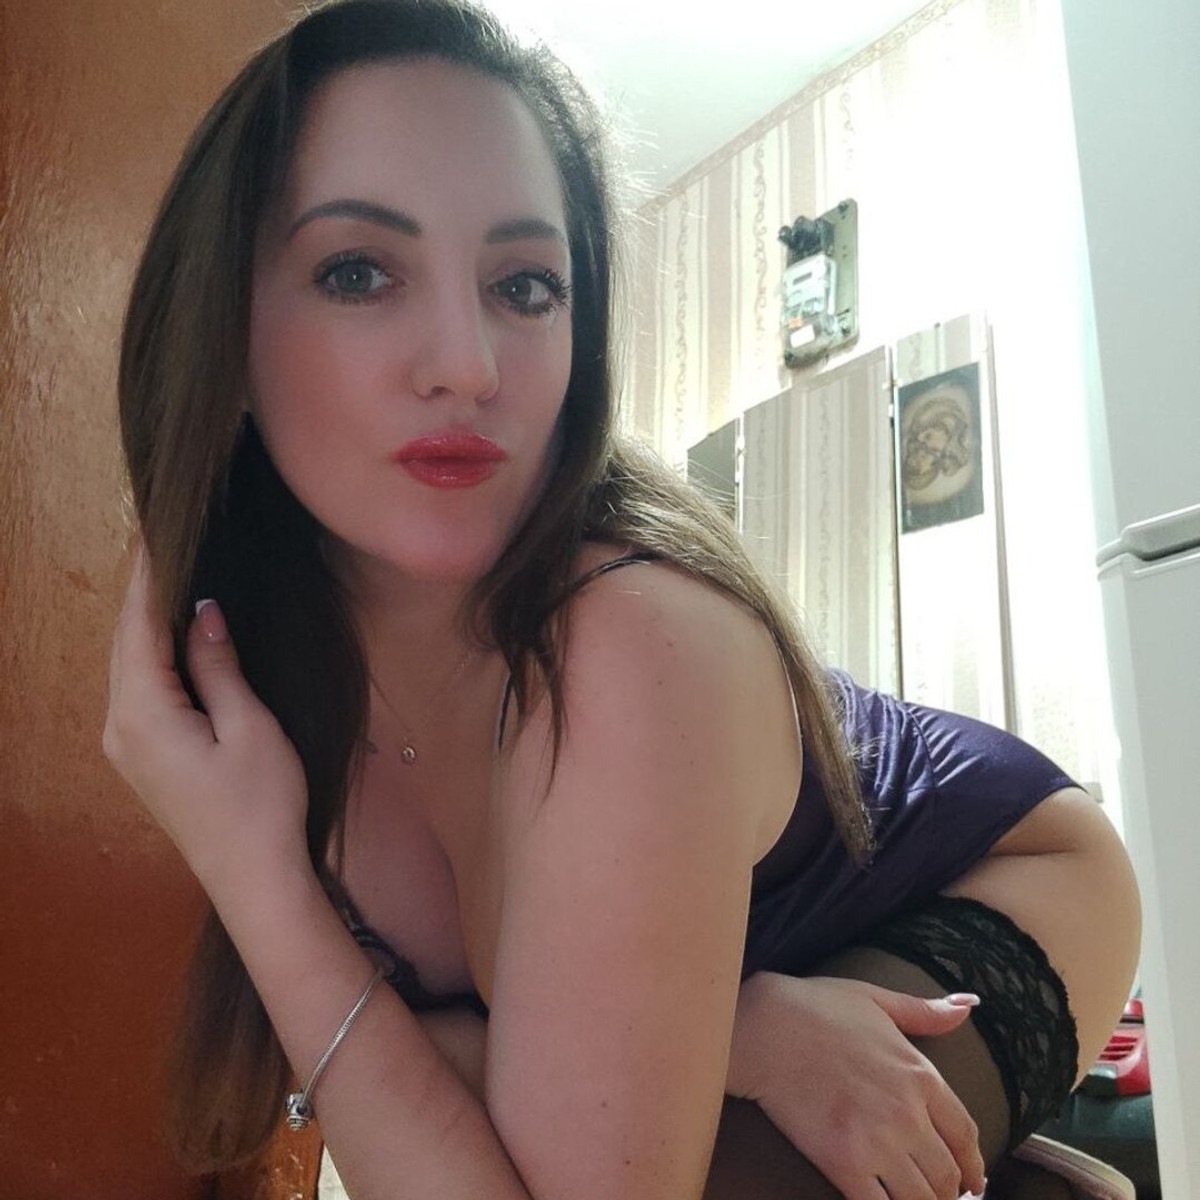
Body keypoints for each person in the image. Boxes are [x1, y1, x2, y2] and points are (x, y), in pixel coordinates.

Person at [102, 2, 1141, 1197]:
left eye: (525, 285)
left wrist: (258, 876)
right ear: (224, 332)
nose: (468, 364)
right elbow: (406, 1067)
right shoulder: (256, 678)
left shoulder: (627, 639)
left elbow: (399, 1072)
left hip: (976, 879)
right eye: (358, 272)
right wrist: (734, 1033)